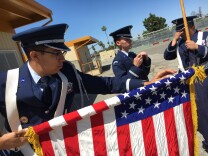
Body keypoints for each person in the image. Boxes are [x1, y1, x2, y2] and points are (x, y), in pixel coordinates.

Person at [0, 23, 176, 155]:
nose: (63, 58)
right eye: (57, 54)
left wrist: (146, 84)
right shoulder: (6, 82)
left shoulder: (66, 73)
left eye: (62, 53)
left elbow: (104, 84)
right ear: (34, 55)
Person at [163, 16, 208, 152]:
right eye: (178, 31)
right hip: (189, 82)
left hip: (205, 78)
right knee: (199, 112)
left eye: (182, 30)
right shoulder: (179, 42)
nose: (180, 33)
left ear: (189, 27)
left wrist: (198, 47)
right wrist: (175, 39)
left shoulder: (204, 35)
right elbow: (167, 56)